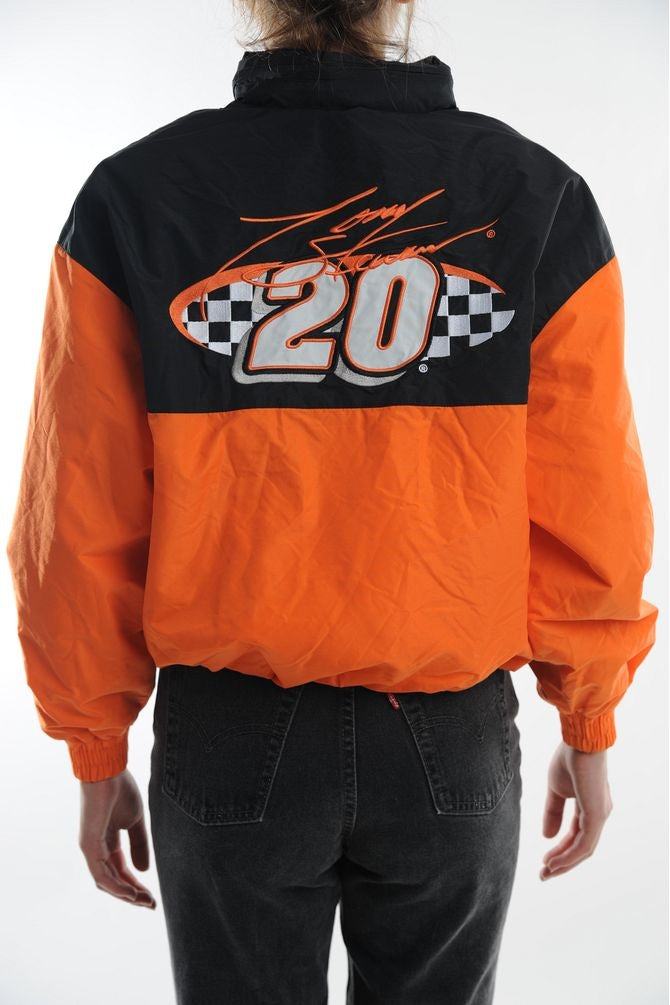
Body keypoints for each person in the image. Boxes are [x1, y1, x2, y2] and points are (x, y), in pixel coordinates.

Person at [5, 1, 658, 1002]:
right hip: (448, 736)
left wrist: (97, 751)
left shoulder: (135, 197)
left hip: (229, 734)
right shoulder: (535, 193)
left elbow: (76, 515)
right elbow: (590, 499)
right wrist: (587, 723)